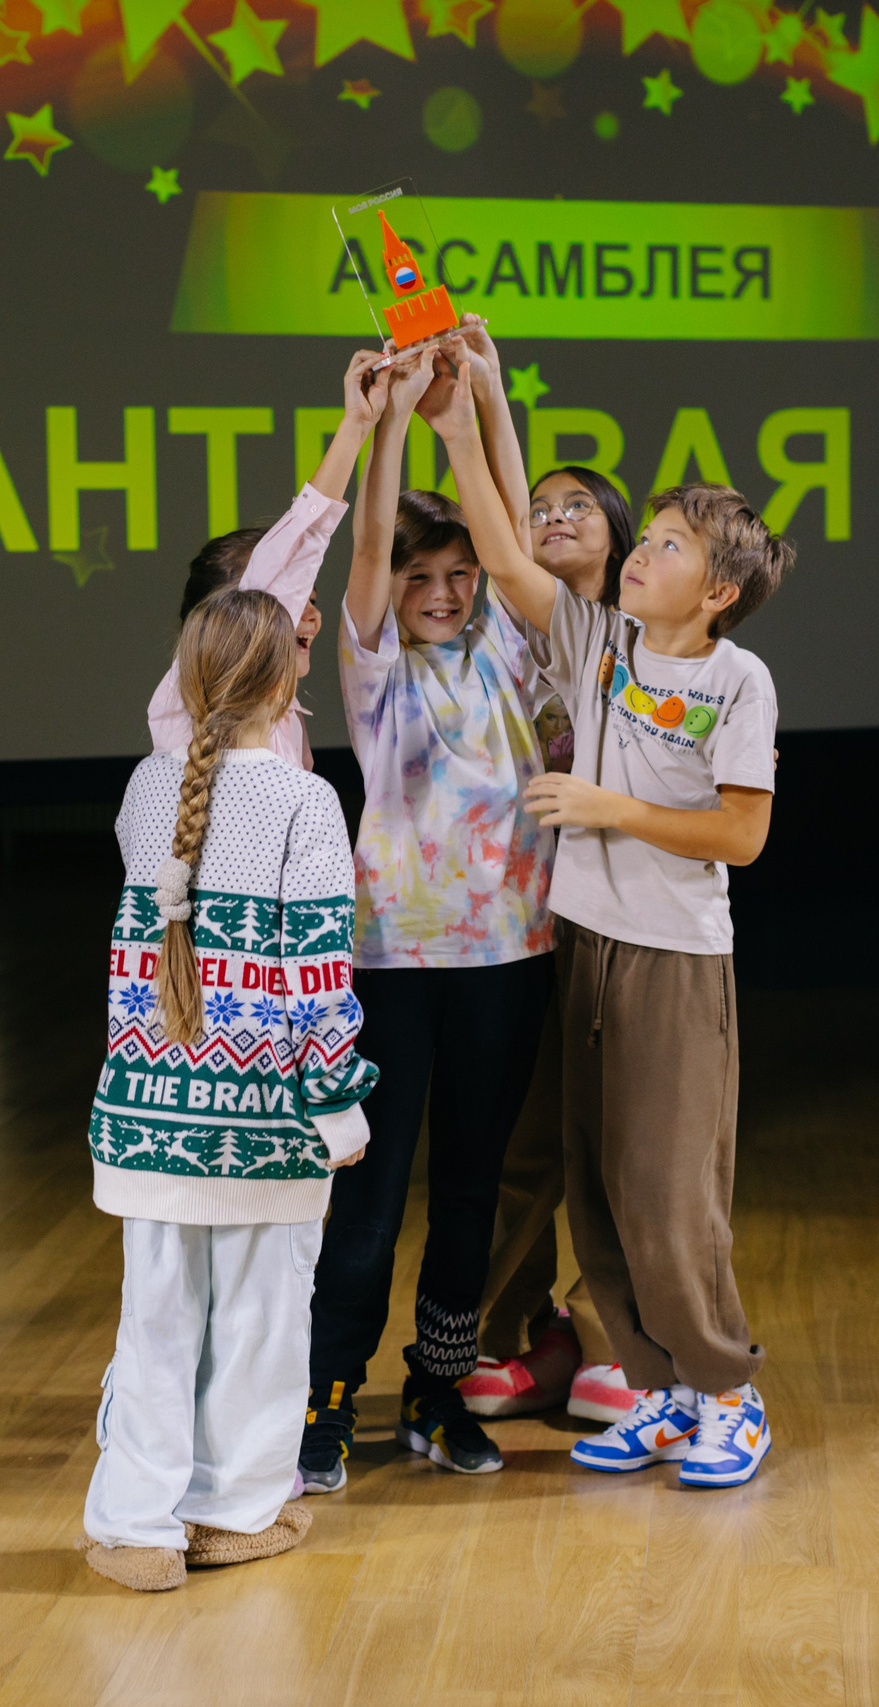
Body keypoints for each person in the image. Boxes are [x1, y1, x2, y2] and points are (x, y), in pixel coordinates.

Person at [436, 350, 792, 1491]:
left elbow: (740, 837)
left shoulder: (738, 682)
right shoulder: (597, 646)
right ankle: (658, 1393)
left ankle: (729, 1394)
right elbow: (499, 551)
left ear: (719, 590)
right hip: (583, 945)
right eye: (650, 538)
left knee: (667, 1186)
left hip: (674, 963)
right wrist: (468, 413)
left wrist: (606, 808)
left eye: (671, 545)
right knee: (593, 1184)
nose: (642, 551)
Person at [81, 589, 379, 1592]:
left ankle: (135, 1526)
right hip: (265, 1127)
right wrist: (337, 1106)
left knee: (154, 1320)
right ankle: (234, 1511)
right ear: (286, 681)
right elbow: (315, 978)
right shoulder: (305, 801)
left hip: (147, 1119)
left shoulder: (141, 789)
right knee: (259, 1324)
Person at [293, 339, 550, 1492]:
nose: (442, 593)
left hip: (509, 953)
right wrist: (391, 420)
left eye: (455, 574)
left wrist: (487, 402)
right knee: (370, 1185)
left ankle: (437, 1390)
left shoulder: (504, 644)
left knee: (469, 1188)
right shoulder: (372, 665)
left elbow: (511, 527)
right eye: (417, 578)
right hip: (388, 959)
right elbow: (364, 540)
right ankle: (329, 1397)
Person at [460, 462, 641, 1425]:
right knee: (520, 1135)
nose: (554, 517)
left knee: (605, 1136)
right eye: (539, 508)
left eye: (579, 506)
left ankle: (609, 1332)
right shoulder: (493, 631)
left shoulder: (646, 644)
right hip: (507, 918)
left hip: (612, 919)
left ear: (621, 536)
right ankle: (514, 1331)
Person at [148, 350, 385, 766]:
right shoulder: (185, 696)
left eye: (312, 600)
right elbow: (304, 537)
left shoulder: (283, 716)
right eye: (292, 598)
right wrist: (356, 425)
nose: (311, 617)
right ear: (222, 619)